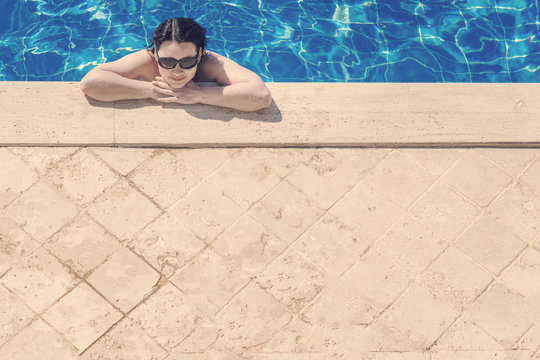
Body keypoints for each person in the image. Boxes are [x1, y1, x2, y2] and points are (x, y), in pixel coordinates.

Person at [80, 18, 271, 112]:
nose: (177, 70)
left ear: (199, 55)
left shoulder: (210, 63)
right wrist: (150, 90)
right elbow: (91, 83)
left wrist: (199, 94)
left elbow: (260, 96)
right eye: (168, 62)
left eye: (187, 61)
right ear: (155, 53)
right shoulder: (146, 61)